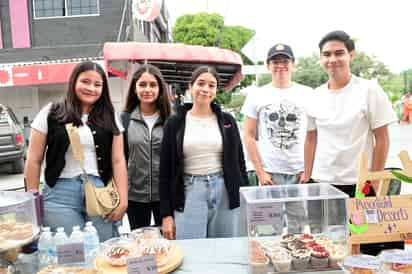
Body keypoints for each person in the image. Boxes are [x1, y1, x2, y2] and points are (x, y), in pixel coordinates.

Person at [24, 61, 128, 241]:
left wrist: (123, 200)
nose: (91, 88)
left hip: (101, 193)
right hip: (59, 196)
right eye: (85, 82)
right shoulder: (51, 112)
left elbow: (118, 160)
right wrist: (32, 201)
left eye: (97, 84)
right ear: (73, 82)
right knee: (69, 254)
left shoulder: (110, 116)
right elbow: (33, 159)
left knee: (104, 251)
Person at [303, 30, 397, 197]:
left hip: (359, 183)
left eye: (339, 53)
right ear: (321, 58)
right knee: (322, 224)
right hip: (321, 182)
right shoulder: (315, 95)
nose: (332, 59)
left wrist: (373, 181)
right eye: (326, 54)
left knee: (359, 224)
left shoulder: (369, 90)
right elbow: (311, 138)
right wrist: (307, 176)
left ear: (351, 55)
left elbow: (382, 139)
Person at [159, 66, 248, 240]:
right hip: (189, 191)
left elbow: (240, 162)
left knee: (225, 249)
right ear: (191, 87)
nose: (205, 89)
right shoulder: (175, 123)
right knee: (191, 251)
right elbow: (164, 172)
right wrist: (166, 214)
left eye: (211, 85)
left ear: (216, 90)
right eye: (201, 83)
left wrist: (243, 197)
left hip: (224, 190)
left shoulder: (227, 121)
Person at [241, 43, 313, 233]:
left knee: (298, 229)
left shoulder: (308, 93)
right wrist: (260, 172)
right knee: (266, 229)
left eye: (285, 61)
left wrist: (308, 170)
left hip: (299, 174)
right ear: (268, 66)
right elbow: (248, 135)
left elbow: (314, 135)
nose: (280, 65)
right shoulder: (257, 94)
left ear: (293, 64)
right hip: (270, 174)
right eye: (275, 61)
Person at [120, 64, 171, 230]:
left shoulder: (172, 119)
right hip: (134, 195)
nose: (147, 89)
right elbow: (119, 159)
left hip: (166, 196)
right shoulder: (124, 120)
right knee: (139, 243)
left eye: (153, 85)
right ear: (135, 88)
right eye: (142, 84)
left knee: (167, 242)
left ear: (160, 89)